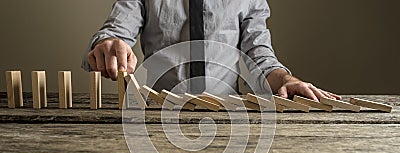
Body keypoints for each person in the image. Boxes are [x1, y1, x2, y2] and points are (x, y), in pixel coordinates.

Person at [82, 0, 341, 101]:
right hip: (156, 116)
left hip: (229, 117)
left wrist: (286, 79)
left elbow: (259, 57)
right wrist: (107, 46)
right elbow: (115, 32)